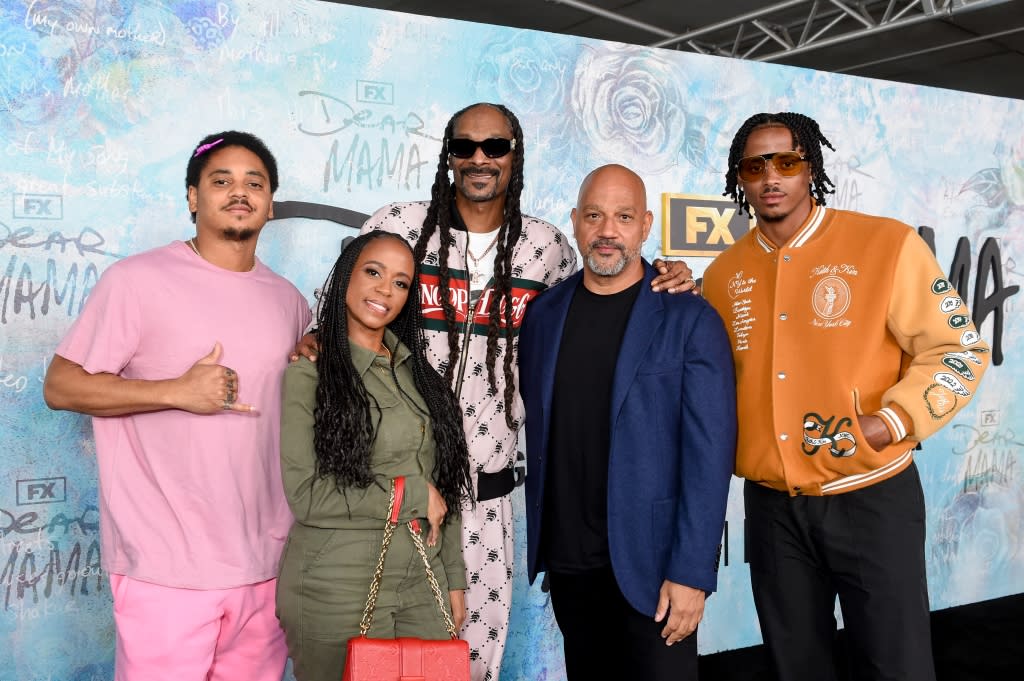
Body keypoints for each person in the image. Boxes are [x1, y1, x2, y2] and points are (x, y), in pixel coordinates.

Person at [293, 102, 697, 681]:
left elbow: (605, 293)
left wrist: (667, 274)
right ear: (449, 155)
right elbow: (336, 311)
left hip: (487, 501)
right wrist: (314, 337)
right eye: (465, 147)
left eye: (495, 147)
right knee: (371, 662)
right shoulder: (401, 224)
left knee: (469, 664)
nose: (479, 159)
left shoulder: (546, 247)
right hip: (393, 493)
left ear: (516, 154)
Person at [701, 112, 991, 681]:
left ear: (811, 168)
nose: (771, 177)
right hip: (771, 509)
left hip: (871, 497)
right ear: (741, 177)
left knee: (897, 665)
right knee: (796, 667)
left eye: (786, 161)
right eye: (755, 165)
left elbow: (958, 349)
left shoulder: (884, 243)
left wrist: (891, 421)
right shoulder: (722, 273)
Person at [43, 131, 311, 681]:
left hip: (267, 566)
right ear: (193, 197)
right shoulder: (136, 281)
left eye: (254, 182)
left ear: (270, 202)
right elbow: (60, 386)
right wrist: (174, 391)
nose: (239, 192)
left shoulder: (290, 300)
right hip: (166, 567)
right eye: (221, 181)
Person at [518, 164, 737, 680]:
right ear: (574, 222)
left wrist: (690, 572)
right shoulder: (545, 315)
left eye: (622, 216)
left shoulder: (690, 318)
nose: (607, 231)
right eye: (594, 215)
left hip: (655, 569)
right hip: (572, 565)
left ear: (644, 224)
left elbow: (710, 456)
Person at [276, 231, 473, 680]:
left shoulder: (418, 375)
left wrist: (453, 580)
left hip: (423, 579)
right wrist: (410, 496)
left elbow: (444, 483)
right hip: (336, 585)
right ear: (346, 275)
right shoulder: (310, 374)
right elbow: (307, 495)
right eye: (373, 272)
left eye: (401, 283)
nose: (385, 290)